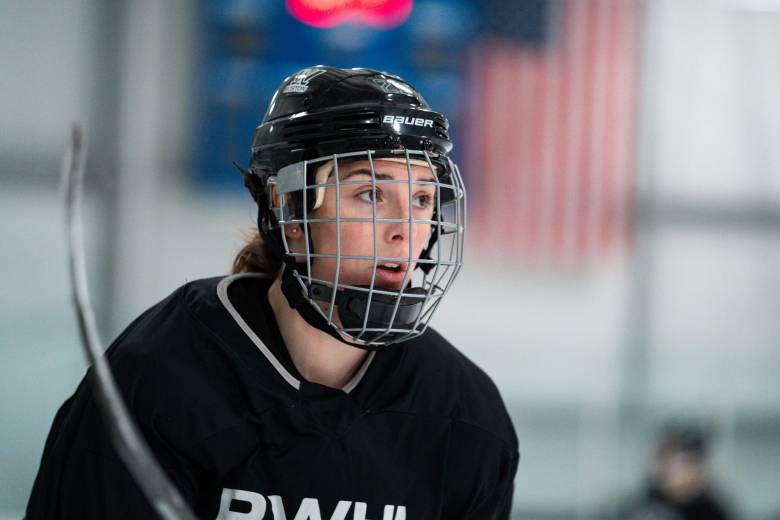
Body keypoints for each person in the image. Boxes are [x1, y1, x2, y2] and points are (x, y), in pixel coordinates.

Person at [26, 66, 519, 519]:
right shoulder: (157, 377)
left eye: (422, 198)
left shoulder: (466, 418)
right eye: (371, 193)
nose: (404, 229)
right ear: (289, 209)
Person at [619, 422, 734, 520]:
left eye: (682, 460)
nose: (671, 466)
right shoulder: (637, 506)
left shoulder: (712, 513)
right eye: (665, 456)